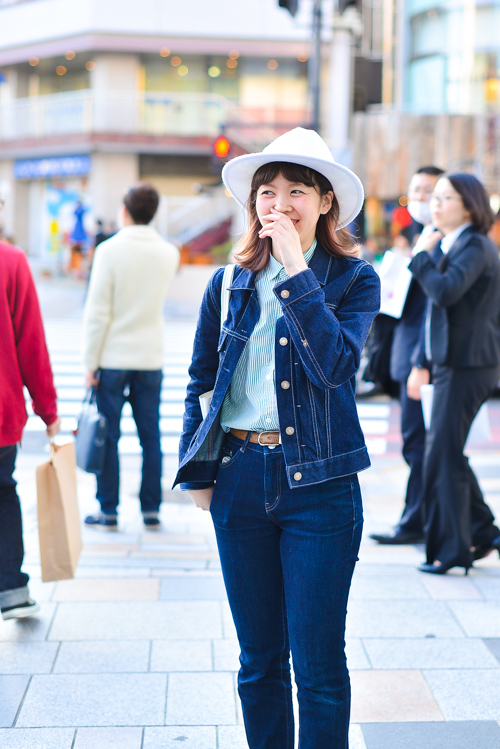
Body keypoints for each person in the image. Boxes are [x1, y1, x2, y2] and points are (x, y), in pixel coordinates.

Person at [174, 128, 380, 748]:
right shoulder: (228, 281)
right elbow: (201, 379)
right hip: (239, 479)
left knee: (317, 668)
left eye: (296, 190)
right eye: (268, 192)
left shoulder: (353, 279)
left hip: (320, 485)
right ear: (253, 203)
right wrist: (198, 474)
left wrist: (296, 270)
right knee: (258, 662)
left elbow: (335, 367)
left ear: (325, 203)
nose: (279, 204)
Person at [408, 172, 500, 574]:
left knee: (441, 456)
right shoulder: (456, 242)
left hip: (468, 364)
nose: (436, 203)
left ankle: (452, 552)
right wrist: (423, 362)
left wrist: (420, 257)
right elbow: (437, 313)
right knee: (445, 453)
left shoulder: (476, 245)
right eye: (436, 197)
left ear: (469, 204)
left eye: (445, 197)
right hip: (451, 362)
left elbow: (445, 291)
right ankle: (483, 531)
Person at [82, 183, 180, 530]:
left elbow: (98, 313)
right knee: (149, 436)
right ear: (153, 214)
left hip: (112, 357)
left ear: (125, 211)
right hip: (150, 356)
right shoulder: (169, 252)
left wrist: (89, 363)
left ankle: (108, 510)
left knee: (108, 435)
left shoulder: (109, 250)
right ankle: (150, 509)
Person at [370, 166, 444, 545]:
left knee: (422, 445)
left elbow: (436, 309)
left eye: (429, 191)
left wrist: (422, 363)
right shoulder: (416, 239)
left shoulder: (439, 244)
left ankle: (417, 521)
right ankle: (478, 526)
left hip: (420, 358)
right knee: (422, 445)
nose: (420, 197)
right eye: (415, 189)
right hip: (403, 354)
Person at [0, 238, 61, 620]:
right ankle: (11, 589)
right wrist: (48, 411)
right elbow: (30, 343)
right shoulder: (10, 260)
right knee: (3, 492)